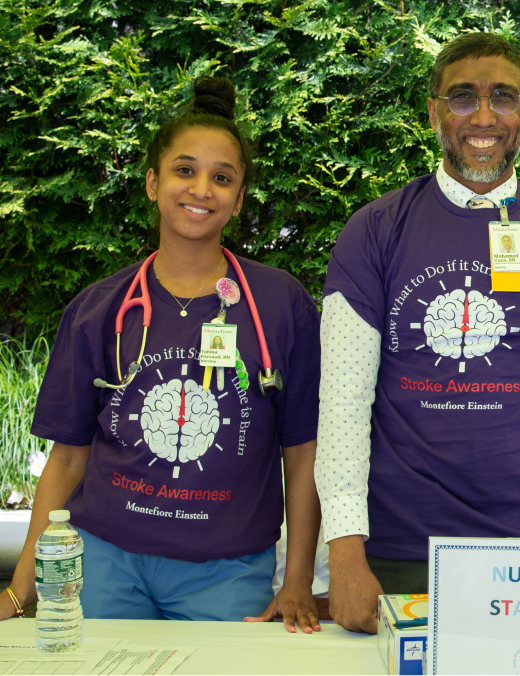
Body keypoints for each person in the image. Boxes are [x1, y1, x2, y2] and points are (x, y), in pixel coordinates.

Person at [317, 32, 520, 633]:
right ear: (433, 112)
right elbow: (343, 403)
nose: (484, 116)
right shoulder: (374, 232)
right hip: (400, 556)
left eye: (503, 97)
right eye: (462, 97)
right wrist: (345, 553)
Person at [3, 77, 324, 632]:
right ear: (153, 183)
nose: (201, 189)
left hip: (226, 572)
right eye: (184, 170)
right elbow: (68, 458)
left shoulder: (280, 305)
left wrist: (296, 579)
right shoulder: (100, 309)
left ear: (239, 198)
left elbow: (303, 453)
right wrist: (21, 585)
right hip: (104, 559)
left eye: (222, 178)